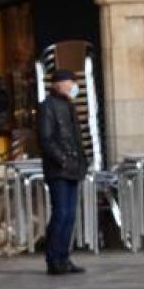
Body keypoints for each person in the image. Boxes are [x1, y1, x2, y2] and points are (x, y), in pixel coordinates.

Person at [38, 69, 88, 276]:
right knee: (61, 213)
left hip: (72, 167)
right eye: (70, 82)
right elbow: (46, 139)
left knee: (69, 215)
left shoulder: (69, 106)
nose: (73, 86)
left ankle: (64, 257)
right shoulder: (48, 106)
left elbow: (75, 138)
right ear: (58, 84)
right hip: (58, 168)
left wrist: (81, 162)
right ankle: (53, 258)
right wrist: (63, 159)